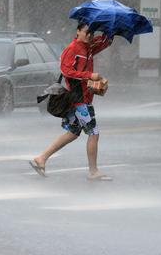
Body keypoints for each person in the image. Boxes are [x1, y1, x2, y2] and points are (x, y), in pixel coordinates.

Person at [30, 22, 113, 181]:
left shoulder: (87, 48)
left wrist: (111, 32)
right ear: (78, 31)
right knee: (93, 133)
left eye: (92, 33)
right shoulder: (73, 48)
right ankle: (93, 171)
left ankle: (41, 159)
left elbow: (103, 44)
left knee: (73, 133)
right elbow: (66, 71)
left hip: (84, 97)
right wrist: (89, 75)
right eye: (87, 32)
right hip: (78, 99)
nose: (89, 35)